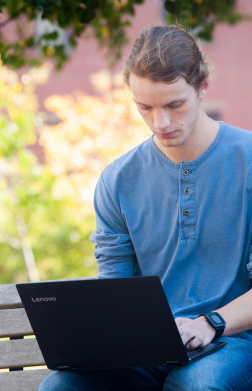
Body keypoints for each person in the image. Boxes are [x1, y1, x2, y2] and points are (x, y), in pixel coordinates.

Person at [38, 24, 252, 390]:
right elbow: (115, 291)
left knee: (195, 385)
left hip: (231, 341)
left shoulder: (247, 159)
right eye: (145, 107)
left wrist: (209, 323)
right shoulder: (117, 180)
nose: (161, 122)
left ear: (202, 87)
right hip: (147, 352)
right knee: (59, 387)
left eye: (174, 104)